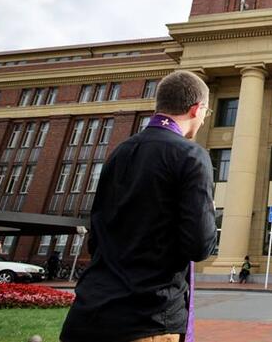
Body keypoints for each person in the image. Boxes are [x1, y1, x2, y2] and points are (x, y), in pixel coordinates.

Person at [60, 70, 217, 342]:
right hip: (147, 318)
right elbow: (199, 245)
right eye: (206, 112)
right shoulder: (190, 155)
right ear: (196, 108)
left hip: (88, 314)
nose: (204, 120)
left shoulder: (119, 153)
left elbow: (95, 238)